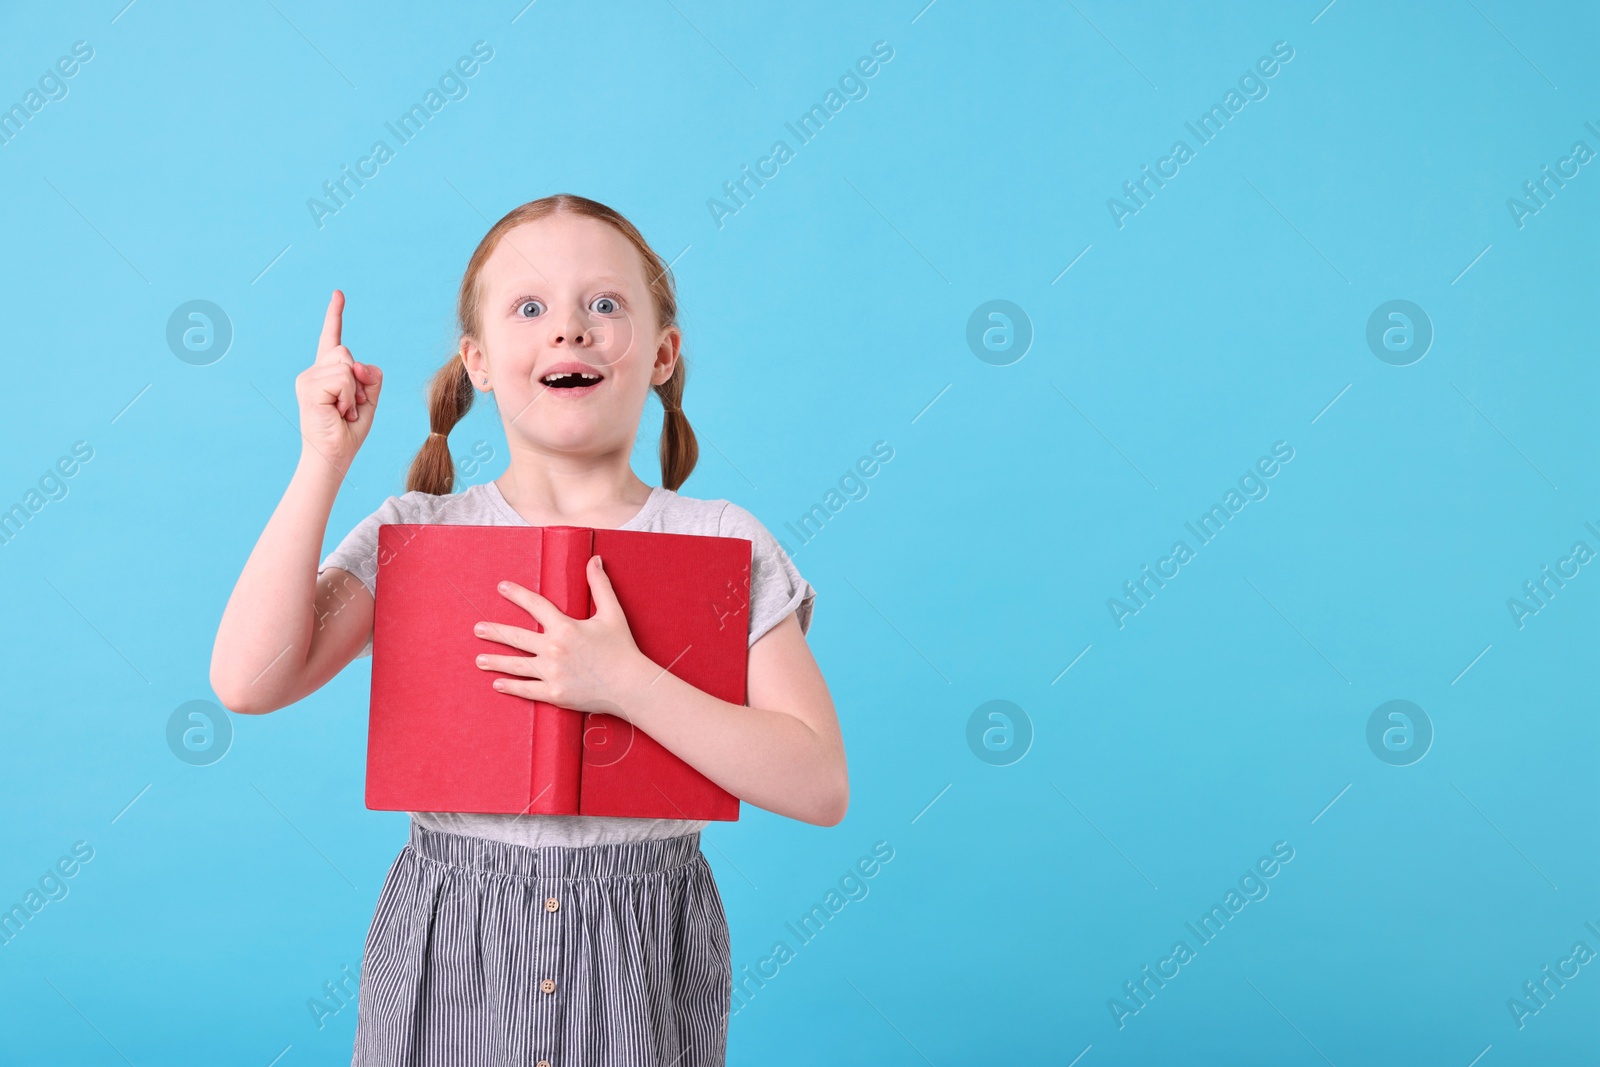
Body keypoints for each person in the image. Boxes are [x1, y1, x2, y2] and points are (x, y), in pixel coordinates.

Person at [209, 193, 849, 1066]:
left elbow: (819, 783)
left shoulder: (723, 541)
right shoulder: (420, 530)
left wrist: (624, 681)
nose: (570, 330)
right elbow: (250, 679)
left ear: (662, 354)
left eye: (606, 304)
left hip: (637, 954)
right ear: (476, 360)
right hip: (451, 942)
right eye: (531, 307)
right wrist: (323, 461)